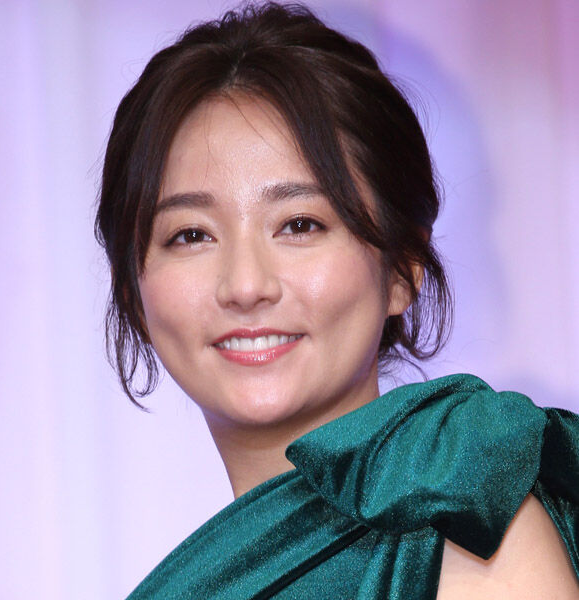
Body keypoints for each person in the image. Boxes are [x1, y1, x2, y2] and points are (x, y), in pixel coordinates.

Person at [95, 3, 579, 598]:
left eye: (300, 224)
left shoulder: (465, 510)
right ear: (132, 290)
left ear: (402, 267)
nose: (245, 285)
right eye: (191, 235)